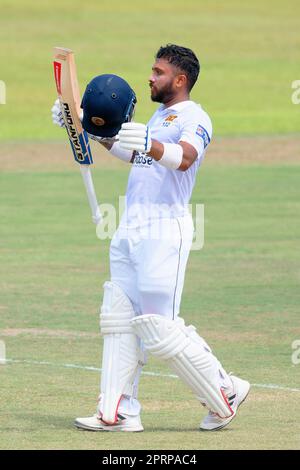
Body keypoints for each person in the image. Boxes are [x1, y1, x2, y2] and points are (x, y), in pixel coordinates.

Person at [52, 44, 250, 432]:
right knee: (119, 316)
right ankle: (120, 410)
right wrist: (84, 128)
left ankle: (224, 391)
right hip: (130, 226)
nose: (150, 77)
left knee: (160, 327)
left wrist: (150, 144)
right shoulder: (159, 116)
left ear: (180, 79)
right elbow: (135, 154)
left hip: (165, 230)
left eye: (158, 72)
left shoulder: (196, 117)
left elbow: (185, 157)